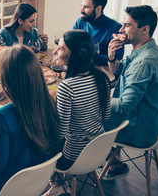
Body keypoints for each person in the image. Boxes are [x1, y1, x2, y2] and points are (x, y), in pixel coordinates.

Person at [0, 45, 59, 196]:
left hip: (5, 189)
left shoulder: (2, 115)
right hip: (38, 182)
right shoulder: (49, 101)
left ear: (6, 79)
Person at [101, 5, 158, 180]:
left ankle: (112, 164)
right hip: (152, 122)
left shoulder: (144, 62)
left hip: (137, 131)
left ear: (145, 29)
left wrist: (99, 99)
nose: (121, 30)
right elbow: (119, 71)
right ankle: (110, 160)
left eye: (127, 26)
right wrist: (111, 56)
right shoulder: (156, 50)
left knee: (86, 117)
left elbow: (123, 106)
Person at [44, 30, 111, 195]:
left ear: (74, 54)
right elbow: (106, 116)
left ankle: (57, 184)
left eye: (60, 48)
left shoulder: (68, 87)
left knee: (41, 142)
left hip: (73, 157)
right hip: (99, 150)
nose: (54, 51)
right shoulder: (102, 78)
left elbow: (61, 132)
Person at [73, 0, 124, 66]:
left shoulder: (116, 29)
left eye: (86, 7)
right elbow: (71, 45)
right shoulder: (80, 21)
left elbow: (116, 61)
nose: (81, 10)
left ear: (99, 9)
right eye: (82, 6)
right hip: (81, 67)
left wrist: (88, 53)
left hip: (103, 72)